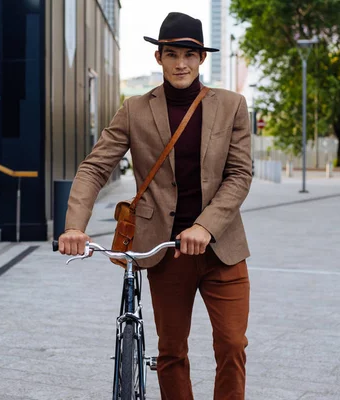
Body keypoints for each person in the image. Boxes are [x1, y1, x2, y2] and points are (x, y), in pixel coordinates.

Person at [58, 11, 252, 400]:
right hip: (166, 252)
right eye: (171, 53)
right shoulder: (134, 109)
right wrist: (75, 226)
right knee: (171, 353)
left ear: (201, 59)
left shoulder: (231, 105)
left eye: (189, 54)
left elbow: (239, 174)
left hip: (222, 249)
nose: (180, 63)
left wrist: (205, 226)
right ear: (158, 58)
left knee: (232, 345)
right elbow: (95, 167)